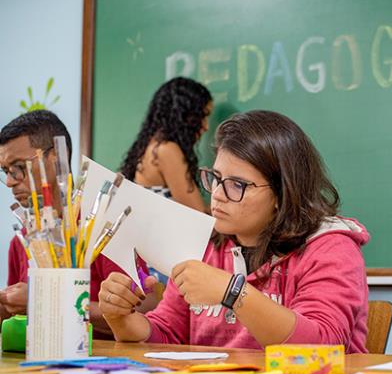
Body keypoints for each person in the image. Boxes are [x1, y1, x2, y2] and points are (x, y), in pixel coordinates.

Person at [99, 110, 370, 353]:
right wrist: (122, 319)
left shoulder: (331, 248)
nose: (217, 195)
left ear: (282, 192)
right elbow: (168, 334)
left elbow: (322, 345)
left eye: (237, 185)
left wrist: (233, 292)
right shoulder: (204, 247)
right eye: (215, 179)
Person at [0, 110, 146, 338]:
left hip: (104, 364)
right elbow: (15, 320)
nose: (10, 182)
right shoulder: (23, 240)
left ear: (55, 158)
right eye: (5, 172)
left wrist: (43, 299)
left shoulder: (100, 228)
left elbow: (142, 310)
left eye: (19, 168)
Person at [119, 77, 212, 212]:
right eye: (202, 116)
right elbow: (198, 216)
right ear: (183, 115)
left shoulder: (150, 145)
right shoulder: (166, 150)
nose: (206, 126)